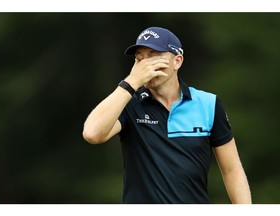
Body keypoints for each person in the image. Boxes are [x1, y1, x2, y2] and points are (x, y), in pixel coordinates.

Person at [82, 26, 252, 204]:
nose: (145, 65)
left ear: (177, 61)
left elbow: (232, 170)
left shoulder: (208, 104)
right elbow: (92, 134)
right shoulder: (128, 103)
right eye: (139, 59)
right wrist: (131, 82)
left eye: (153, 55)